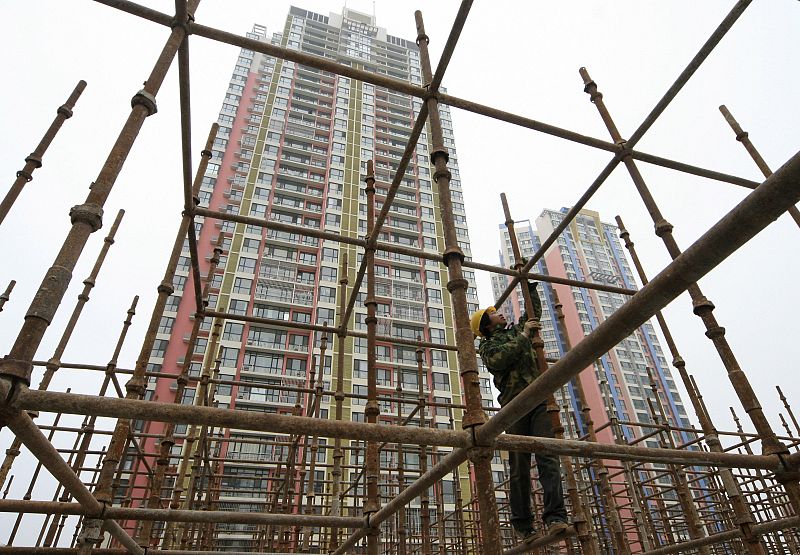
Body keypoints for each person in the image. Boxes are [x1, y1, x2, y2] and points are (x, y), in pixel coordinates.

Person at [470, 280, 569, 540]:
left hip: (538, 399)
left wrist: (530, 288)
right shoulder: (488, 346)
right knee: (519, 466)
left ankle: (555, 517)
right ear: (487, 326)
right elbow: (500, 360)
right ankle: (523, 524)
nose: (499, 312)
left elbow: (532, 315)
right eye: (493, 313)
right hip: (514, 406)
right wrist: (524, 335)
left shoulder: (516, 332)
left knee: (548, 457)